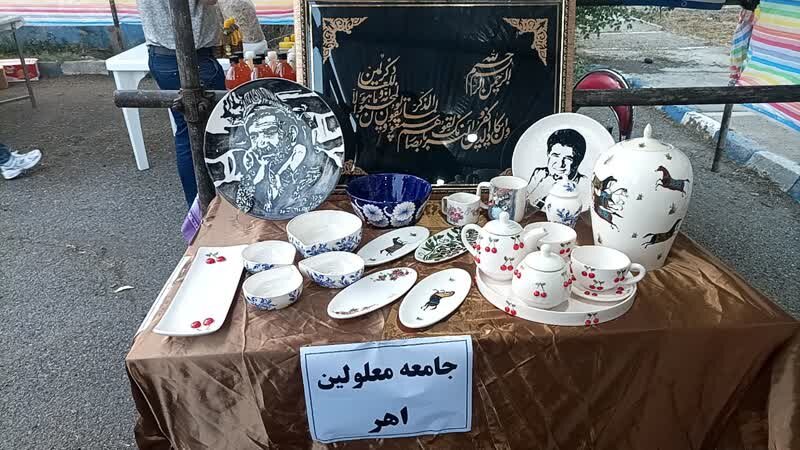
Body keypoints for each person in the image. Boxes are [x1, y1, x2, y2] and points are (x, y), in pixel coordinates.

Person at [138, 0, 226, 207]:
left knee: (187, 131)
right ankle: (212, 207)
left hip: (161, 53)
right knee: (214, 132)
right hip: (192, 55)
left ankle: (199, 206)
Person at [526, 128, 588, 209]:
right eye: (555, 156)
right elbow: (526, 203)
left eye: (568, 158)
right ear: (548, 154)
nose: (560, 164)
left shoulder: (583, 183)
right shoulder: (539, 174)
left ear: (578, 162)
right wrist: (540, 191)